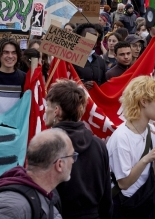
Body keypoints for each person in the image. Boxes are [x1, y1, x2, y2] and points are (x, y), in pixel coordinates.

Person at [45, 80, 112, 218]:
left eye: (48, 106)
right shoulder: (99, 145)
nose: (46, 110)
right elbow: (106, 198)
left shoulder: (46, 145)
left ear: (56, 110)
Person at [107, 76, 155, 218]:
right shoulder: (121, 137)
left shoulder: (151, 129)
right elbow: (124, 183)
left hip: (144, 204)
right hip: (125, 208)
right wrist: (146, 159)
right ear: (143, 102)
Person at [0, 129, 69, 218]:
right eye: (72, 156)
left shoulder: (47, 196)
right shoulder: (13, 205)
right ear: (59, 164)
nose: (73, 160)